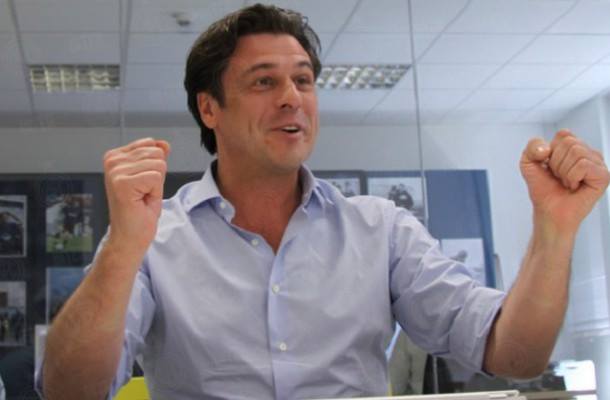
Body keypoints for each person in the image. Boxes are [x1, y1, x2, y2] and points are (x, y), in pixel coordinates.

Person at [38, 4, 610, 400]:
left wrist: (554, 229)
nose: (293, 98)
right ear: (209, 109)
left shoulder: (381, 229)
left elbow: (514, 355)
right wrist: (122, 248)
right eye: (264, 82)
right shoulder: (153, 237)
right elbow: (67, 391)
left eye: (304, 80)